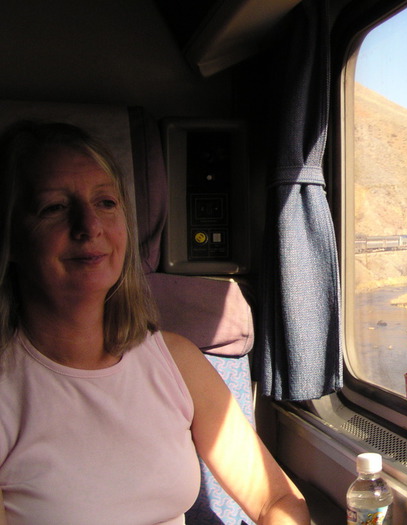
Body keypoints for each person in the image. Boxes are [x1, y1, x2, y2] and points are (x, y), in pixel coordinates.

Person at [0, 121, 310, 525]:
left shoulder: (176, 361)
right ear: (12, 238)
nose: (89, 226)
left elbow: (277, 500)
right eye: (54, 207)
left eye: (106, 203)